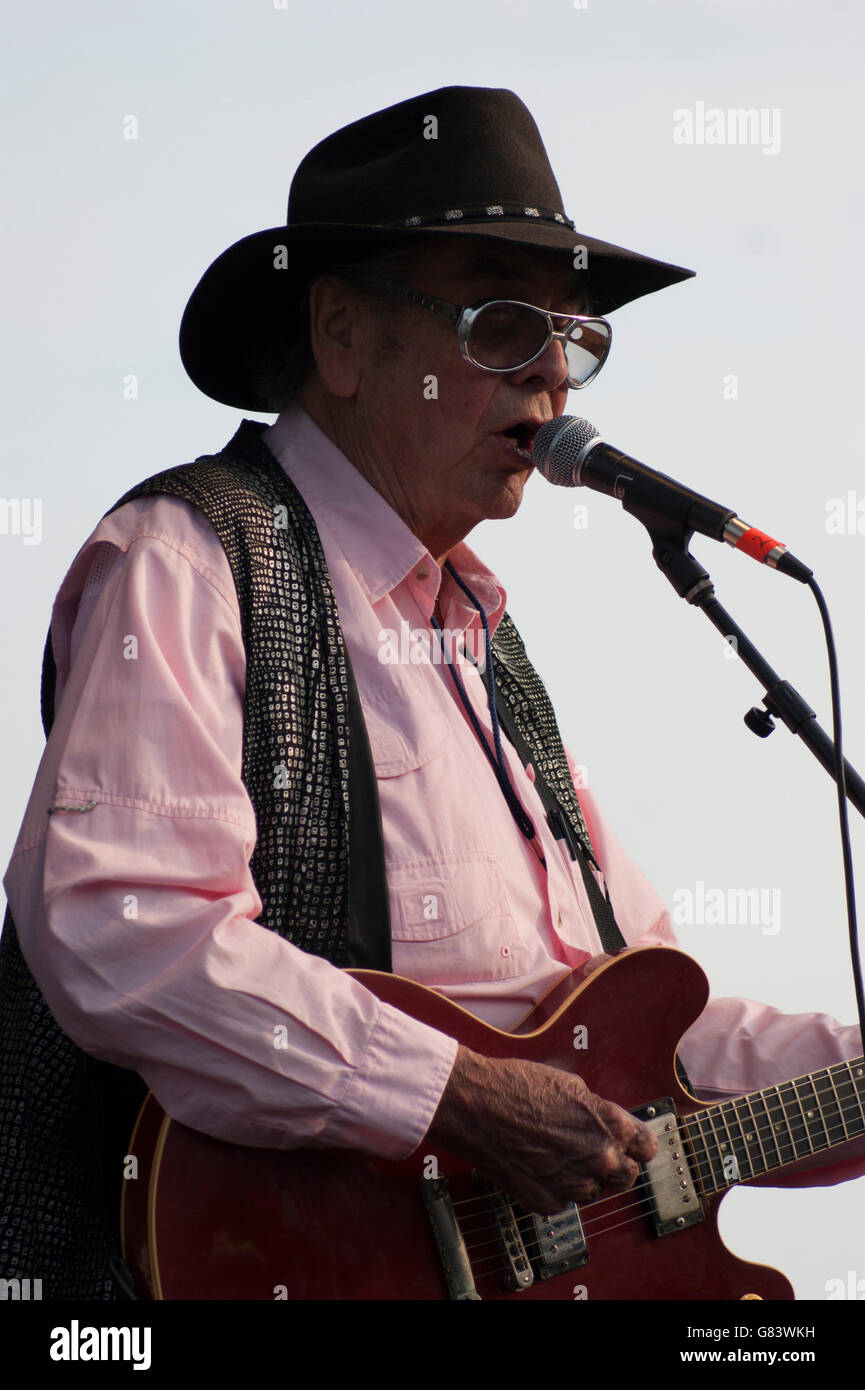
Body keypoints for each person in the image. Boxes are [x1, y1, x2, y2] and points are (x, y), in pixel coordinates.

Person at [2, 85, 863, 1301]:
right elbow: (125, 925)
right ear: (344, 333)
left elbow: (661, 1043)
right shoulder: (189, 556)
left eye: (573, 340)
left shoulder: (489, 650)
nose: (555, 385)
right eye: (505, 325)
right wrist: (458, 1095)